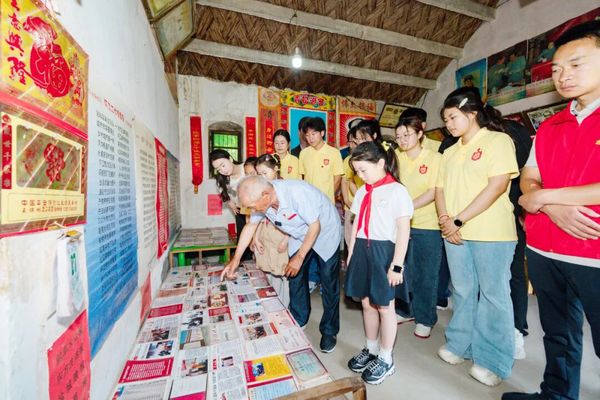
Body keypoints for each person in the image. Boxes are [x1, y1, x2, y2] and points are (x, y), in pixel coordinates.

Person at [502, 20, 600, 400]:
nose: (563, 76)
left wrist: (545, 199)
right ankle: (556, 395)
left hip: (592, 252)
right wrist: (542, 199)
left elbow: (536, 195)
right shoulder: (549, 126)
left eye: (576, 64)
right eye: (556, 69)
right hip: (544, 248)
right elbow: (530, 179)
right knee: (557, 334)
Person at [435, 87, 519, 386]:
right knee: (462, 290)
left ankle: (493, 361)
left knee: (494, 296)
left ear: (471, 113)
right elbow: (439, 190)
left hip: (491, 232)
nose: (449, 124)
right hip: (454, 231)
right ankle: (460, 344)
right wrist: (445, 220)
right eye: (446, 120)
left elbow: (497, 186)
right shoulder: (448, 151)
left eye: (453, 117)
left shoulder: (498, 141)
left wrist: (458, 220)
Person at [221, 175, 342, 353]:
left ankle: (329, 331)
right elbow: (250, 227)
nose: (251, 210)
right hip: (299, 234)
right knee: (295, 278)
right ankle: (299, 319)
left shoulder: (297, 193)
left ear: (265, 195)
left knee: (329, 283)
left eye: (252, 206)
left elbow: (314, 226)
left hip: (324, 232)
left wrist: (299, 257)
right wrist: (236, 259)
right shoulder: (262, 200)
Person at [345, 140, 413, 385]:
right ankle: (371, 349)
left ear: (381, 163)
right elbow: (356, 225)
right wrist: (351, 254)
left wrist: (397, 265)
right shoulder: (363, 191)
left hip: (384, 252)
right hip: (362, 250)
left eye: (363, 170)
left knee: (385, 306)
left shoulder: (397, 191)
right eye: (357, 171)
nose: (360, 176)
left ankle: (386, 358)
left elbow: (403, 230)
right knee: (366, 303)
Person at [395, 115, 443, 339]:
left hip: (427, 225)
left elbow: (434, 191)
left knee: (426, 274)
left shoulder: (434, 158)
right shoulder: (396, 157)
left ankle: (425, 318)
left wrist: (407, 207)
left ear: (420, 133)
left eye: (407, 135)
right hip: (400, 224)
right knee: (403, 271)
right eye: (398, 137)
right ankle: (406, 310)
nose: (402, 140)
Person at [299, 117, 344, 292]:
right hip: (308, 208)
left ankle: (327, 283)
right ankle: (312, 279)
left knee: (327, 247)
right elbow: (302, 179)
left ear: (322, 133)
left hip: (327, 208)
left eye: (314, 133)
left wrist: (327, 198)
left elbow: (337, 178)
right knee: (309, 243)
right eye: (307, 134)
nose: (310, 137)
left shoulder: (333, 153)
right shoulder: (304, 154)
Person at [253, 153, 290, 306]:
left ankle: (285, 306)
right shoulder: (261, 190)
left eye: (265, 173)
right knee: (269, 270)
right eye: (259, 174)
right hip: (265, 233)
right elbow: (256, 217)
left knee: (284, 272)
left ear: (275, 169)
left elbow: (294, 219)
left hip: (282, 234)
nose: (262, 177)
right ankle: (274, 303)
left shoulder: (286, 188)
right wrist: (256, 238)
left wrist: (286, 239)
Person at [209, 149, 252, 260]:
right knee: (242, 237)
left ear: (230, 158)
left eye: (223, 165)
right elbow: (223, 193)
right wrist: (231, 204)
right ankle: (244, 260)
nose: (222, 170)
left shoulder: (246, 167)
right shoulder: (223, 179)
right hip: (242, 209)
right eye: (218, 169)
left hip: (257, 208)